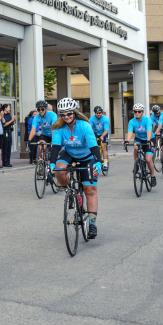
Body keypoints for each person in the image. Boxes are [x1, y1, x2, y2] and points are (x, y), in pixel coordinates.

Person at [49, 98, 102, 239]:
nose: (66, 117)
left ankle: (92, 223)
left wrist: (98, 161)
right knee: (59, 170)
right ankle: (70, 191)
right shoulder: (58, 128)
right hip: (70, 154)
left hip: (87, 156)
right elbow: (55, 147)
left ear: (74, 112)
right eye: (63, 115)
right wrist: (52, 163)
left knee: (90, 189)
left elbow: (93, 145)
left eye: (69, 114)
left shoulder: (84, 125)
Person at [126, 103, 157, 186]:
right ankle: (137, 164)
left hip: (150, 139)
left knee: (148, 159)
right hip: (139, 139)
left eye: (139, 111)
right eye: (135, 111)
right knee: (136, 147)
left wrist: (148, 140)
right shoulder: (131, 121)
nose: (137, 113)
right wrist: (127, 140)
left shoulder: (147, 120)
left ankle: (153, 176)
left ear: (142, 112)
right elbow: (129, 132)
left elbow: (149, 130)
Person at [28, 100, 57, 179]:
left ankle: (53, 166)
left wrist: (54, 142)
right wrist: (29, 141)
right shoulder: (36, 117)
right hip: (44, 135)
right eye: (38, 109)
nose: (40, 111)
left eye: (42, 109)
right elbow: (33, 129)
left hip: (54, 134)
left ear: (46, 109)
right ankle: (41, 162)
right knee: (41, 145)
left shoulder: (52, 115)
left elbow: (54, 128)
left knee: (54, 151)